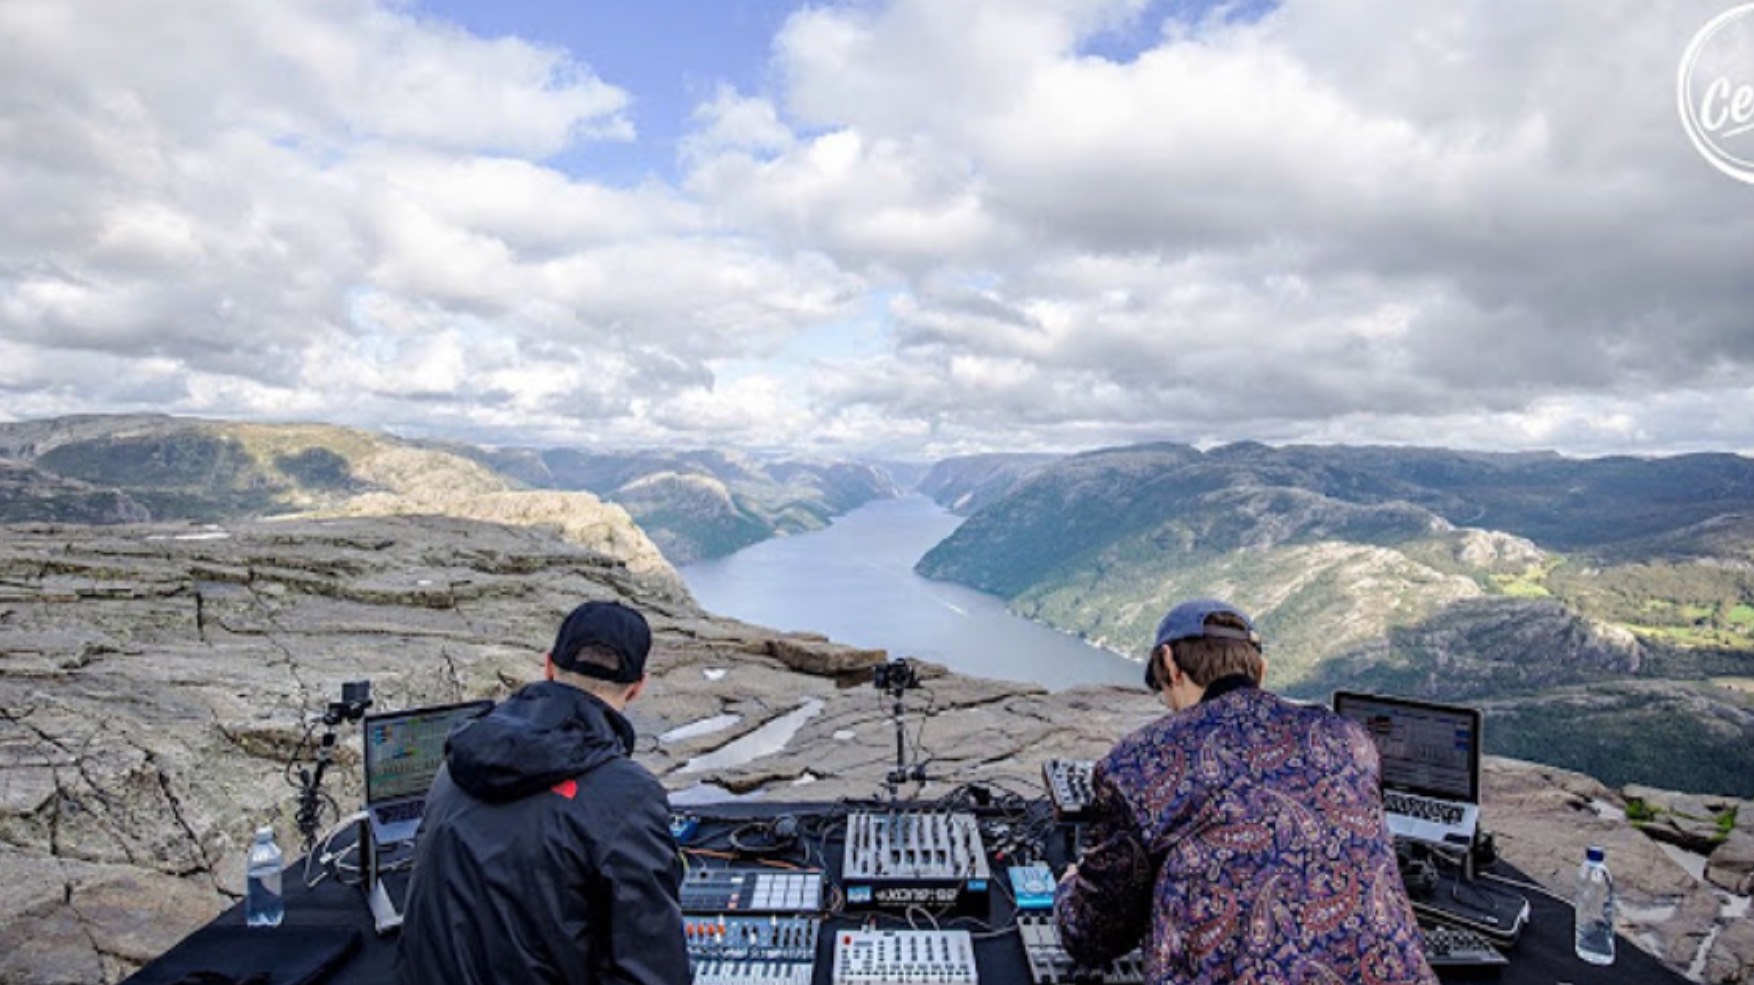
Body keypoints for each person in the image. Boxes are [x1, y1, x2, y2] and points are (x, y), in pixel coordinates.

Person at [1054, 599, 1437, 985]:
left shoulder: (1141, 761)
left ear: (1169, 664)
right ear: (1261, 671)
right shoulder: (1350, 740)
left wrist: (1069, 885)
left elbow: (1092, 935)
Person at [397, 600, 688, 985]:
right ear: (636, 689)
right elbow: (653, 973)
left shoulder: (459, 754)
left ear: (549, 666)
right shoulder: (629, 797)